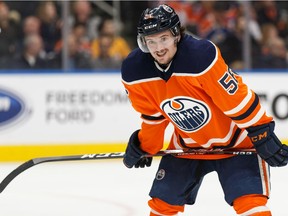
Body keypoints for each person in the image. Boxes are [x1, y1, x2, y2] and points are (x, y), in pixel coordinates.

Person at [120, 4, 288, 216]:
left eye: (163, 39)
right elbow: (153, 116)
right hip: (187, 146)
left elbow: (236, 100)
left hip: (237, 143)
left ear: (176, 35)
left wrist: (262, 133)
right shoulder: (135, 70)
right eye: (150, 41)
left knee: (250, 205)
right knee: (161, 206)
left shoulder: (200, 57)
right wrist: (143, 145)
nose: (158, 48)